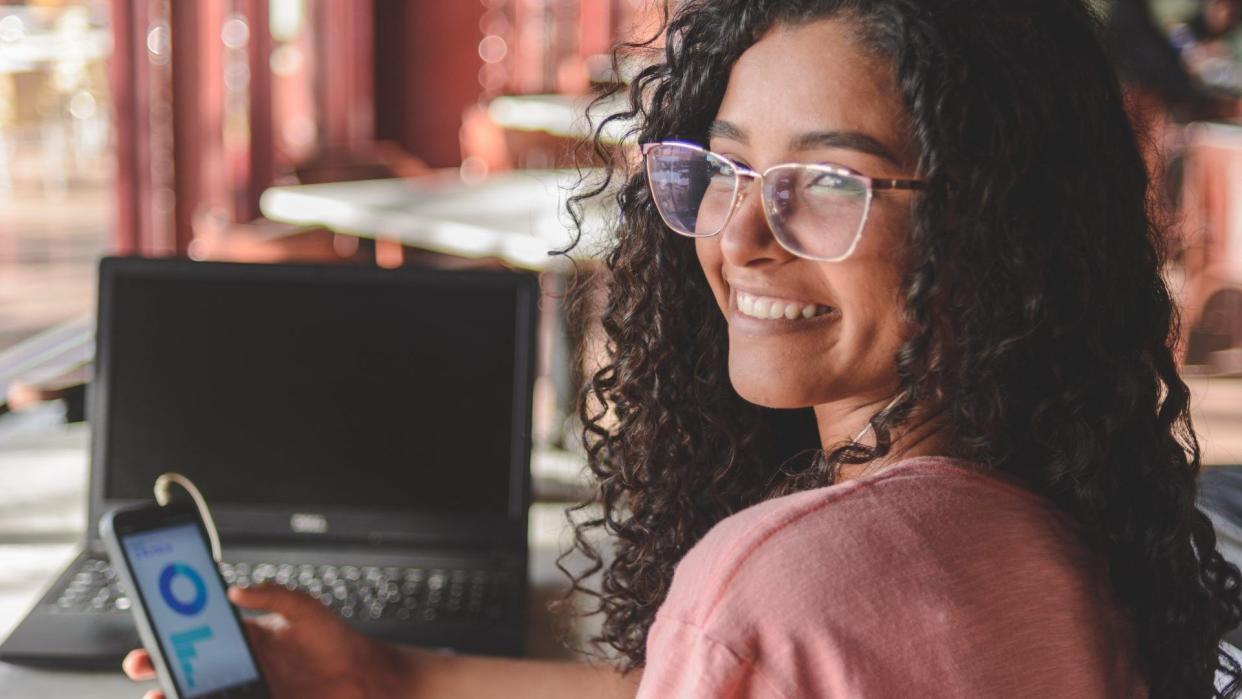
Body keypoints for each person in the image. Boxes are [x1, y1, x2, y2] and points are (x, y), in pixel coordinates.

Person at [124, 0, 1242, 696]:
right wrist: (390, 677)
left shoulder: (777, 585)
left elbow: (749, 646)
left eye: (828, 184)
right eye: (726, 170)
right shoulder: (1057, 514)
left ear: (996, 222)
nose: (740, 238)